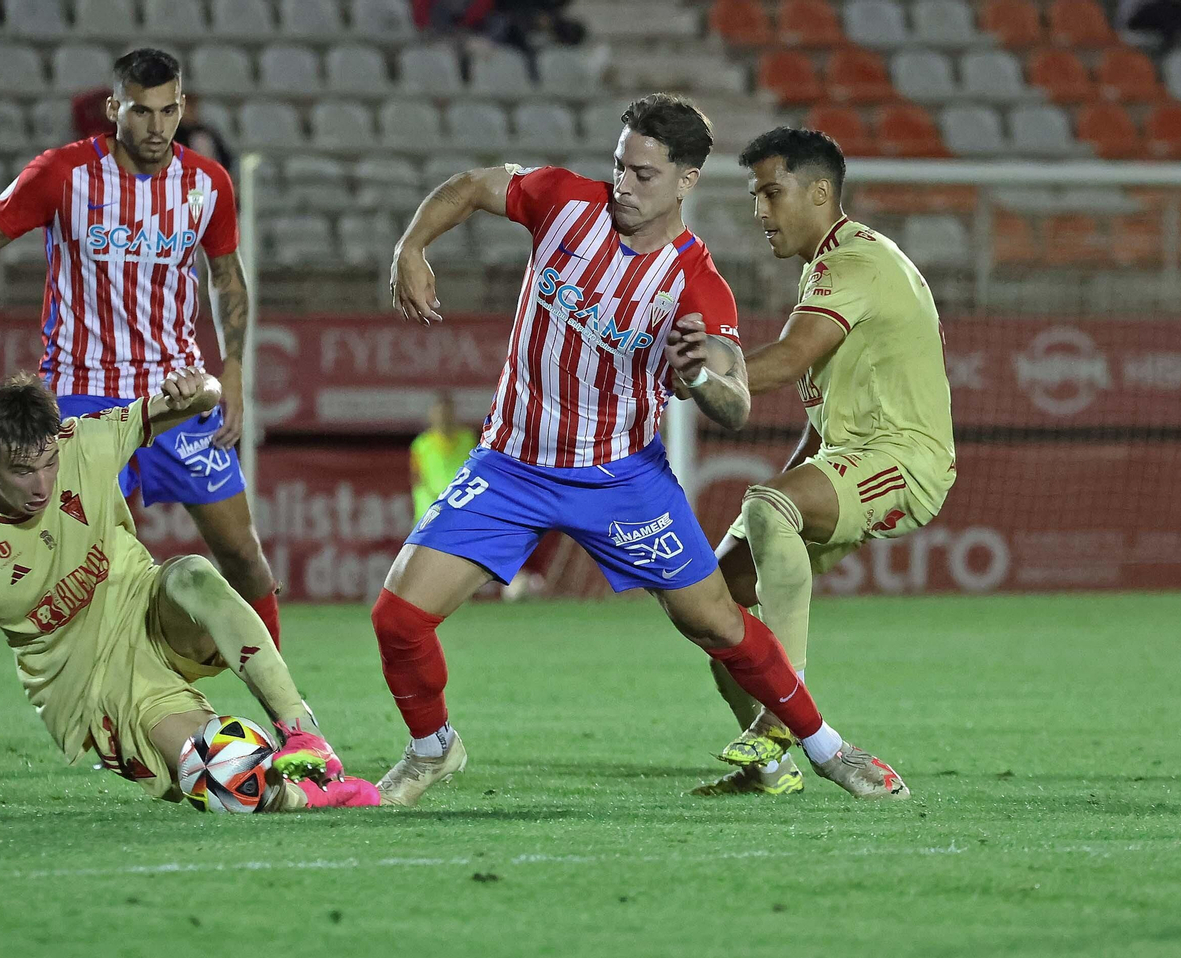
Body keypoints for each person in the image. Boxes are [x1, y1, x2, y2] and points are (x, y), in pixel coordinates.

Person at [376, 93, 906, 806]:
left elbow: (736, 403)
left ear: (686, 180)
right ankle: (432, 747)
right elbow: (471, 188)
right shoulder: (563, 200)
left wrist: (697, 378)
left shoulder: (697, 283)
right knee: (398, 619)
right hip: (512, 464)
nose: (624, 185)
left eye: (645, 175)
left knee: (717, 624)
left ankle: (828, 749)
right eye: (621, 167)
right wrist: (412, 245)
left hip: (620, 479)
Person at [0, 371, 377, 816]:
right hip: (94, 687)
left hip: (147, 607)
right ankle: (314, 794)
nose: (43, 485)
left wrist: (196, 387)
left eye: (50, 463)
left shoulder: (86, 440)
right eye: (23, 471)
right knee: (223, 775)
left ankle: (304, 735)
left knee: (191, 573)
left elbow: (207, 398)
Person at [0, 48, 284, 650]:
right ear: (114, 108)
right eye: (141, 112)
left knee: (242, 553)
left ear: (182, 108)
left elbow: (228, 280)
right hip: (81, 395)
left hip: (177, 392)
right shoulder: (63, 174)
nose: (156, 127)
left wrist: (235, 375)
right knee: (87, 571)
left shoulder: (207, 184)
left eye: (168, 111)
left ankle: (286, 707)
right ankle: (113, 725)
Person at [672, 127, 952, 797]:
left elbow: (791, 358)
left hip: (902, 460)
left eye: (772, 193)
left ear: (820, 193)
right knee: (716, 605)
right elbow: (822, 415)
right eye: (754, 196)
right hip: (852, 455)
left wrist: (697, 371)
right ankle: (769, 770)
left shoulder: (854, 264)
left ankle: (780, 717)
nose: (760, 211)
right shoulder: (827, 266)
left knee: (768, 507)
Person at [410, 393, 479, 526]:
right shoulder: (421, 445)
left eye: (447, 413)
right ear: (432, 415)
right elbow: (417, 480)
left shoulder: (468, 439)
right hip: (430, 514)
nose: (443, 418)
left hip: (463, 510)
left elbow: (478, 472)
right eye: (440, 413)